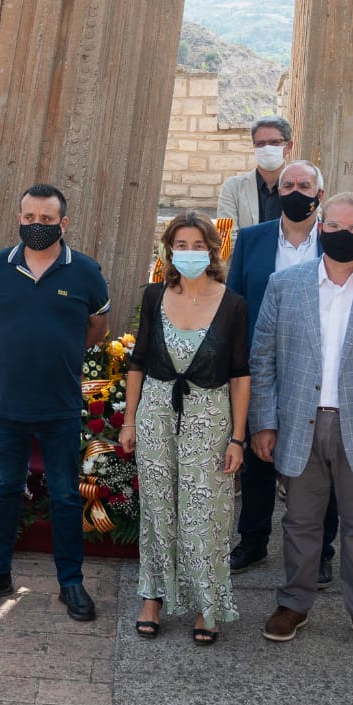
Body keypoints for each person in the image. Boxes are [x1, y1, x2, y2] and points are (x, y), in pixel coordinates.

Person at [250, 193, 353, 655]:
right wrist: (264, 422)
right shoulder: (285, 284)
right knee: (300, 521)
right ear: (320, 228)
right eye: (335, 226)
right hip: (299, 423)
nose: (344, 234)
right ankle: (293, 603)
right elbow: (263, 359)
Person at [0, 185, 110, 623]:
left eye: (46, 220)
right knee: (6, 488)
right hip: (8, 403)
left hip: (59, 405)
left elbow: (97, 328)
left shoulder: (85, 271)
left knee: (64, 494)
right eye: (29, 218)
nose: (37, 226)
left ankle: (71, 582)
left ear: (63, 223)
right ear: (19, 218)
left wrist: (61, 352)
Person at [120, 213, 249, 645]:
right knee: (157, 508)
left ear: (212, 250)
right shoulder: (155, 295)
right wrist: (129, 420)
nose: (190, 252)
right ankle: (152, 597)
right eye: (181, 245)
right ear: (169, 251)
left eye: (198, 245)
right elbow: (137, 362)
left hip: (209, 418)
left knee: (204, 513)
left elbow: (240, 374)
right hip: (156, 412)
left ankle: (205, 604)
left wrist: (238, 438)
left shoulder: (233, 304)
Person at [224, 159, 323, 573]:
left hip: (317, 364)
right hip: (261, 362)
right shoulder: (252, 238)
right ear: (278, 192)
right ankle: (253, 539)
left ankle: (321, 550)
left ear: (319, 193)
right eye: (288, 185)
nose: (296, 192)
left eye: (304, 185)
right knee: (258, 453)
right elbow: (234, 300)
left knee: (318, 458)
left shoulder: (335, 238)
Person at [216, 116, 294, 229]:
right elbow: (225, 234)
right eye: (260, 143)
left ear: (289, 146)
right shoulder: (232, 188)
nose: (267, 149)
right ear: (254, 147)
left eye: (274, 142)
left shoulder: (302, 187)